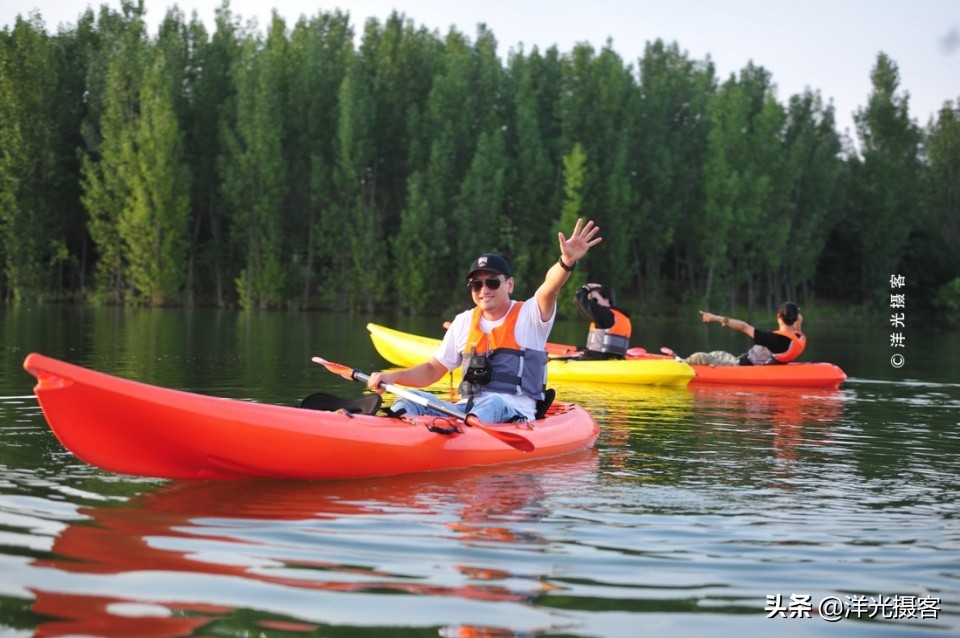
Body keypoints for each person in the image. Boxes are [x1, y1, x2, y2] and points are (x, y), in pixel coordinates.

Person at [366, 218, 602, 423]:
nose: (483, 290)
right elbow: (432, 369)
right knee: (414, 399)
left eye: (492, 282)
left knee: (493, 404)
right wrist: (394, 377)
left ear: (509, 284)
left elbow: (550, 288)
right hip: (464, 411)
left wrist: (566, 261)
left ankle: (461, 437)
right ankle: (387, 429)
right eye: (476, 284)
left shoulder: (530, 315)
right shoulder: (464, 321)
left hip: (513, 413)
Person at [684, 301, 805, 366]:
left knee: (699, 356)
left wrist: (716, 318)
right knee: (716, 354)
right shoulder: (798, 338)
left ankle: (682, 363)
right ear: (796, 319)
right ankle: (686, 361)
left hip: (742, 366)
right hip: (742, 360)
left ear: (778, 316)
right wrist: (797, 322)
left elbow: (744, 327)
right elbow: (797, 329)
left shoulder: (773, 339)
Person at [573, 283, 633, 359]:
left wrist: (586, 287)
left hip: (598, 361)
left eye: (594, 299)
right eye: (590, 300)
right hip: (615, 359)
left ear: (606, 299)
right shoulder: (621, 315)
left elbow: (579, 299)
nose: (592, 303)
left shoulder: (605, 315)